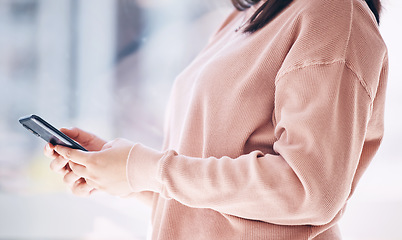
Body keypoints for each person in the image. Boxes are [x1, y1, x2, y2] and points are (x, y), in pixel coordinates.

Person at [44, 0, 388, 239]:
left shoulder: (334, 13)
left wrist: (146, 169)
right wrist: (123, 175)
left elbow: (308, 189)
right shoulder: (247, 17)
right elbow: (217, 208)